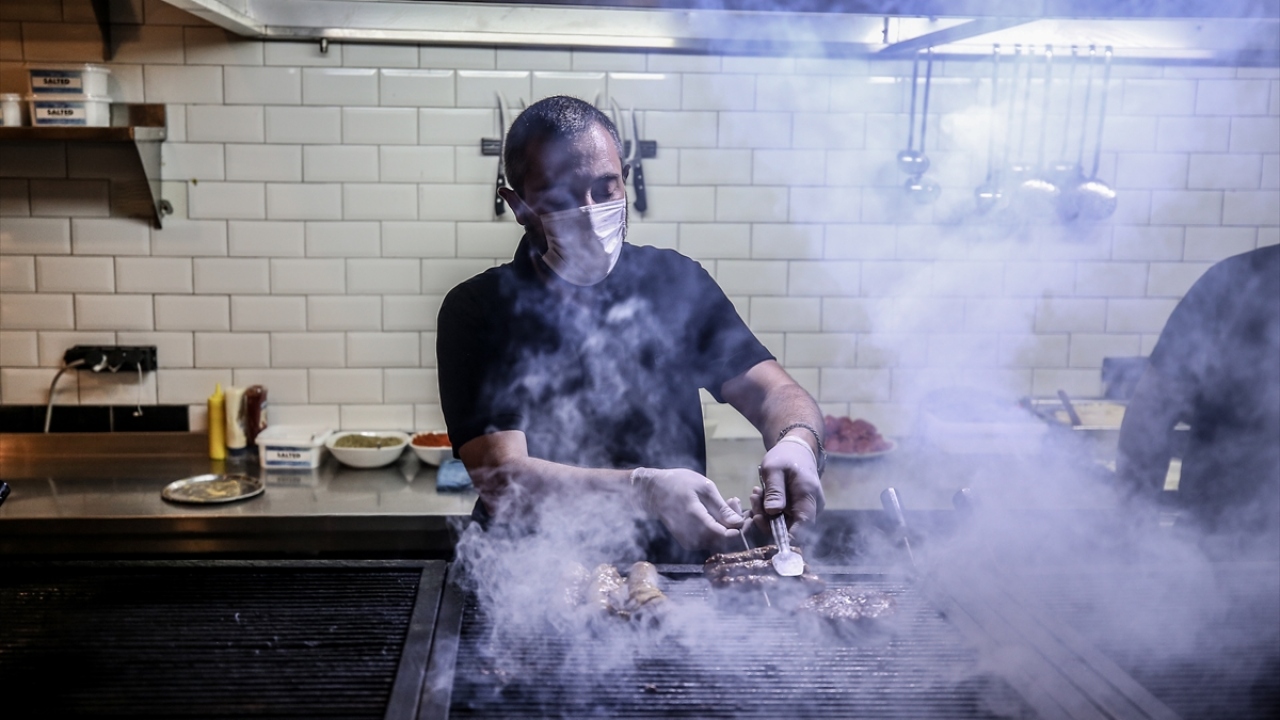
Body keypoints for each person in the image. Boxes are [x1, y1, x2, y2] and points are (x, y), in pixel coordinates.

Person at [436, 96, 825, 556]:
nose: (590, 209)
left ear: (626, 182)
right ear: (517, 205)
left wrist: (798, 442)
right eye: (561, 195)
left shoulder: (676, 284)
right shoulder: (479, 310)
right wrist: (643, 490)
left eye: (606, 188)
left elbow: (772, 392)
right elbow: (504, 478)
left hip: (673, 579)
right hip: (532, 582)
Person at [1117, 244, 1280, 541]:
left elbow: (1152, 412)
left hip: (1223, 532)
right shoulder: (1237, 281)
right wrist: (1135, 526)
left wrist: (1134, 530)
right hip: (1226, 531)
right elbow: (1155, 408)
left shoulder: (1236, 277)